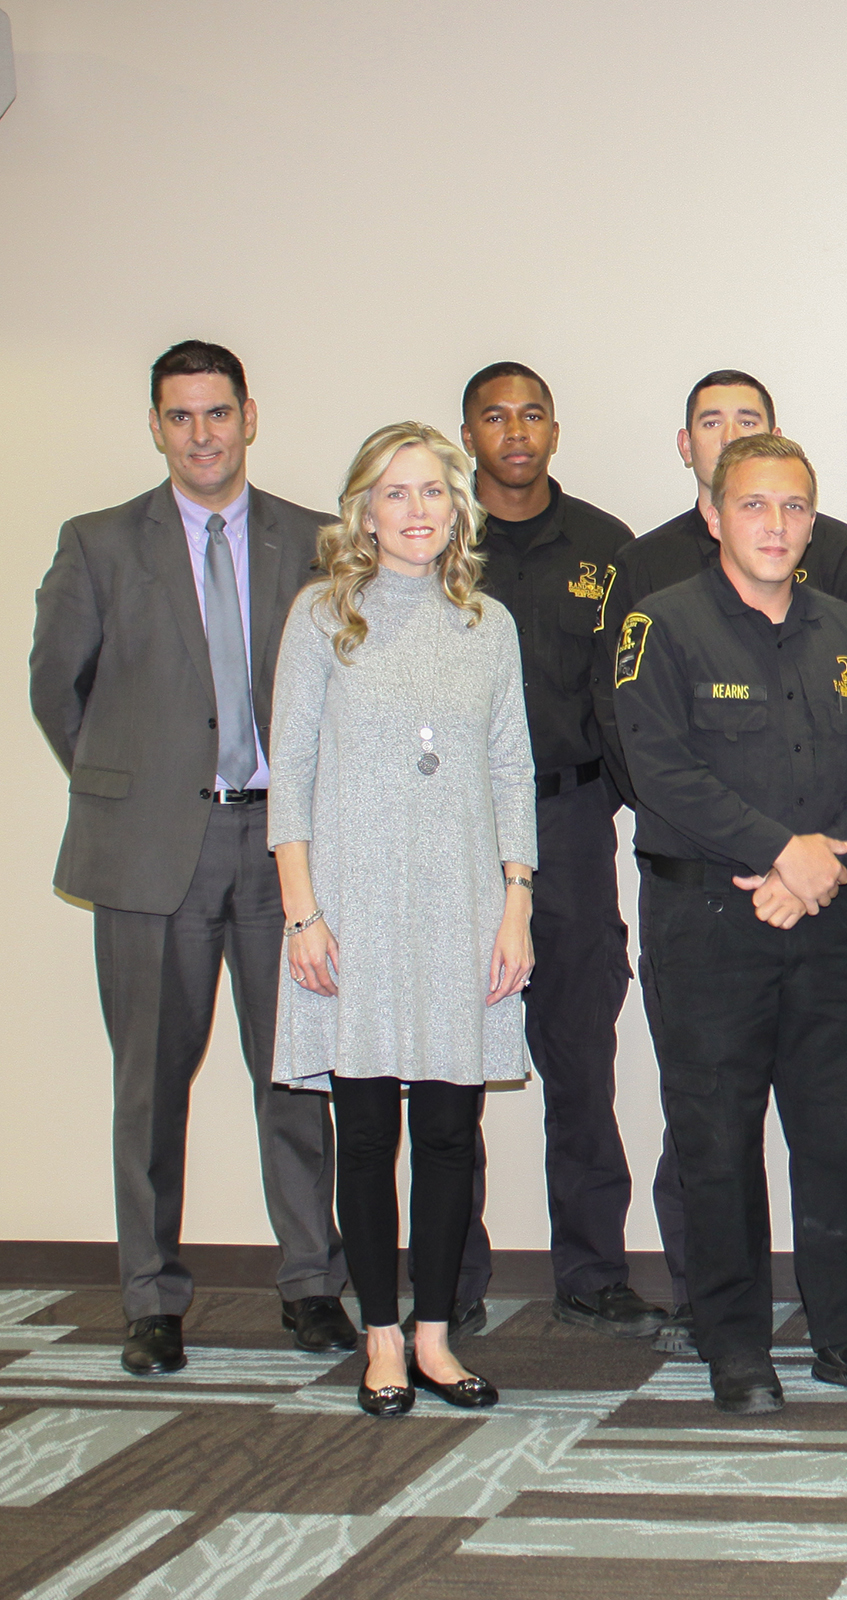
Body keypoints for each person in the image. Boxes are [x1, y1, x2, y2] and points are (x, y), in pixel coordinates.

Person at [30, 341, 349, 1378]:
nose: (203, 434)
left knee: (294, 1074)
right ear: (157, 425)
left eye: (218, 413)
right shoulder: (98, 544)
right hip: (149, 854)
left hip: (279, 849)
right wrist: (140, 783)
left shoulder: (313, 539)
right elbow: (56, 689)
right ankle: (152, 1297)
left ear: (249, 416)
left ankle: (310, 1283)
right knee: (149, 1084)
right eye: (182, 416)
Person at [614, 431, 847, 1412]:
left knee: (837, 1132)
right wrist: (777, 848)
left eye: (794, 506)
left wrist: (822, 859)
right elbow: (660, 769)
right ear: (712, 514)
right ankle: (734, 1339)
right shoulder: (659, 627)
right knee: (715, 1136)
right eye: (755, 505)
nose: (778, 525)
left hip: (827, 913)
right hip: (706, 917)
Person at [267, 421, 535, 1418]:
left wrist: (516, 904)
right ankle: (379, 1333)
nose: (418, 511)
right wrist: (303, 914)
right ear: (363, 509)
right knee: (369, 1125)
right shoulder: (320, 616)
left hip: (463, 905)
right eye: (398, 492)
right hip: (354, 906)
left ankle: (435, 1334)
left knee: (451, 1133)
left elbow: (513, 769)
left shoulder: (486, 624)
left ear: (455, 508)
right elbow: (287, 769)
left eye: (434, 492)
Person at [448, 360, 661, 1341]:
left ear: (555, 429)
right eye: (496, 417)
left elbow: (625, 697)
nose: (516, 431)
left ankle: (592, 1269)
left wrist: (607, 801)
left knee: (582, 1056)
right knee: (449, 1063)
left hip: (569, 826)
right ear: (471, 433)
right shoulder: (434, 539)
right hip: (454, 833)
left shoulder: (605, 547)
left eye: (531, 414)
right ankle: (449, 1279)